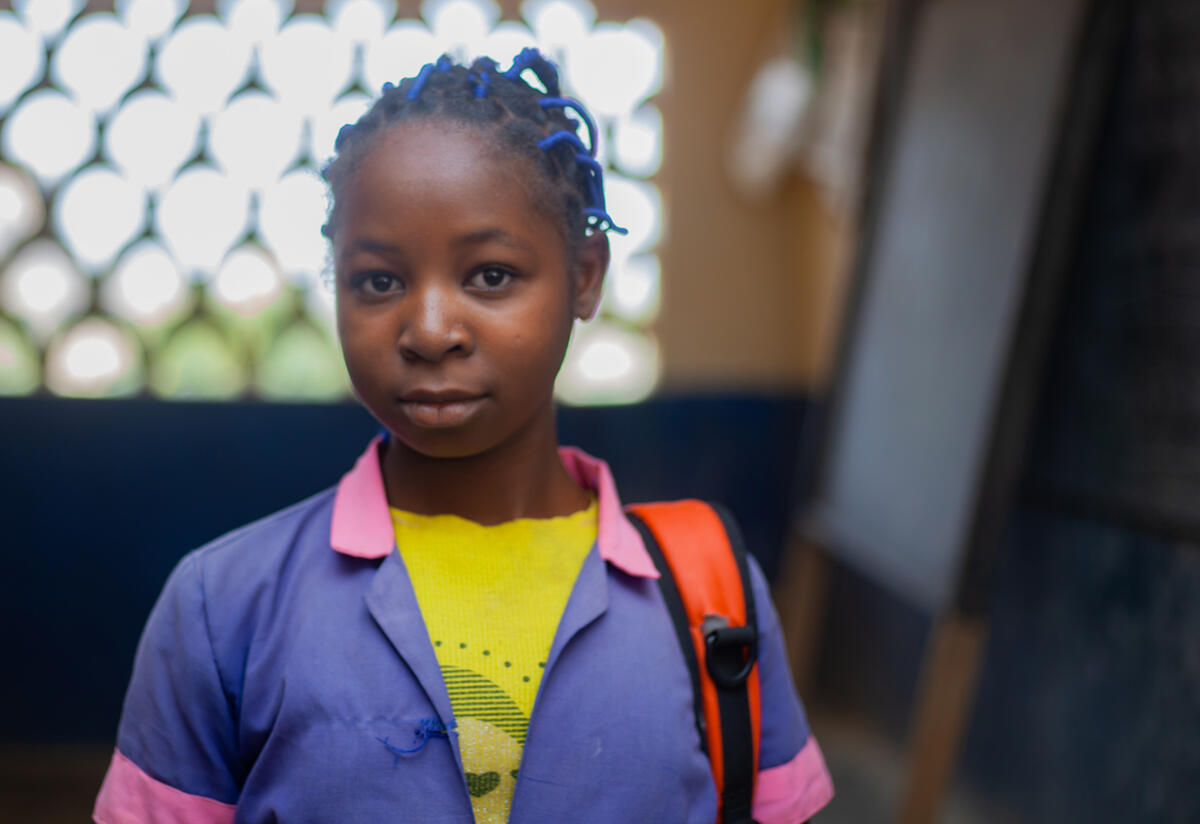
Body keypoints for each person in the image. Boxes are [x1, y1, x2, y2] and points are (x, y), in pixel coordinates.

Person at [93, 48, 834, 824]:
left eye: (490, 276)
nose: (431, 330)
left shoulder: (708, 596)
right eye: (379, 281)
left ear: (585, 276)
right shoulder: (225, 607)